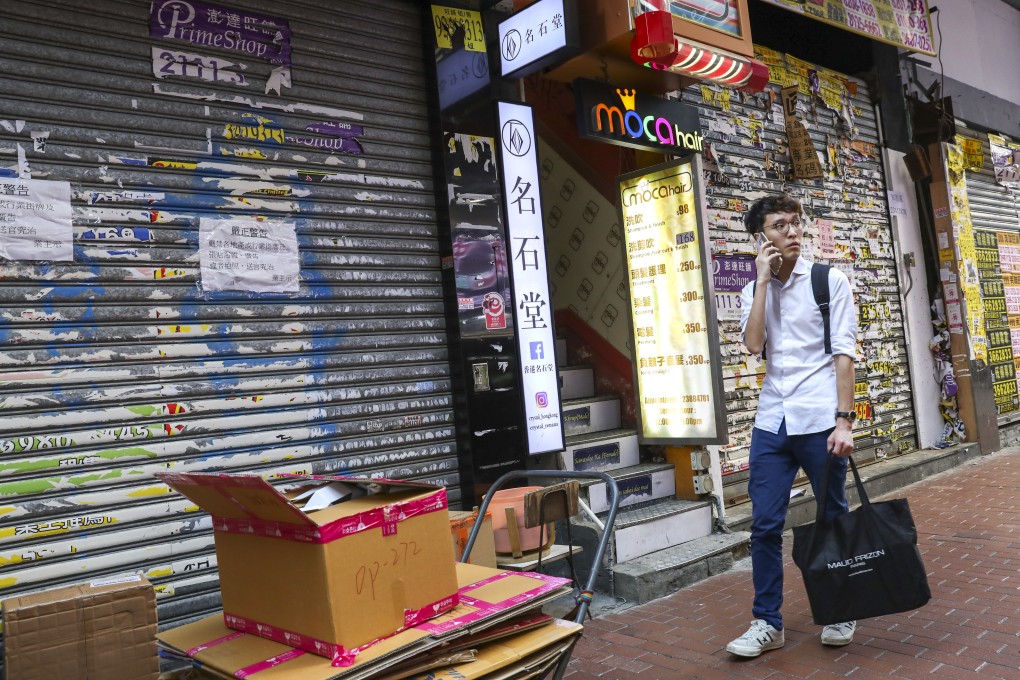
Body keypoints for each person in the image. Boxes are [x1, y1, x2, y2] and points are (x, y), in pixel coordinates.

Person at [725, 193, 858, 658]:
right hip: (771, 421)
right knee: (763, 525)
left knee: (831, 517)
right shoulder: (750, 292)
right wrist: (762, 282)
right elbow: (753, 344)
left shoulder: (829, 281)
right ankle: (767, 623)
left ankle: (841, 607)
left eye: (797, 224)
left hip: (820, 419)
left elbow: (844, 353)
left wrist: (844, 421)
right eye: (781, 226)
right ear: (761, 238)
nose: (794, 232)